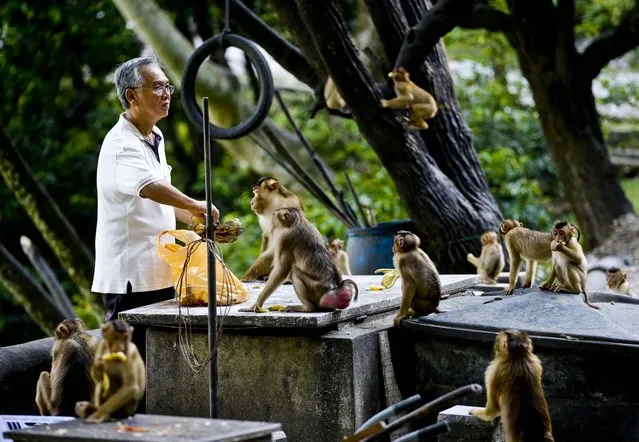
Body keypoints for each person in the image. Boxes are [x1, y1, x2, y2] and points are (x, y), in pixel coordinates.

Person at [92, 56, 219, 322]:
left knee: (159, 357)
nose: (166, 94)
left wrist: (192, 216)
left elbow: (161, 198)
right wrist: (195, 205)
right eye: (157, 87)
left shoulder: (155, 136)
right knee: (128, 358)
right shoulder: (121, 144)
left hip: (159, 270)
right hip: (130, 277)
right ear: (132, 96)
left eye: (167, 86)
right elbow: (150, 187)